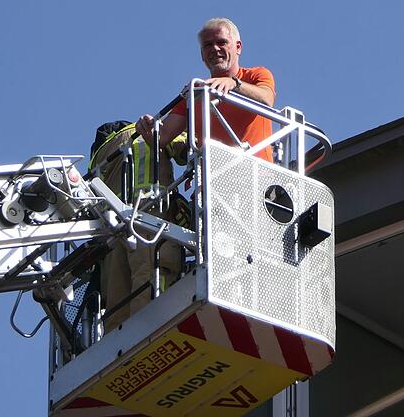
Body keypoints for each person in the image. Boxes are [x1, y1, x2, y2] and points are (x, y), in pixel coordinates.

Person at [88, 121, 186, 333]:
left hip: (112, 232)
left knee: (117, 297)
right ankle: (153, 327)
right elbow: (185, 147)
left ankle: (116, 347)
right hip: (148, 214)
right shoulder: (143, 131)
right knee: (151, 272)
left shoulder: (98, 161)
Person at [135, 18, 276, 161]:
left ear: (238, 47)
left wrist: (234, 83)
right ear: (202, 54)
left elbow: (267, 99)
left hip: (257, 174)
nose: (215, 48)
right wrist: (147, 127)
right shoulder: (196, 92)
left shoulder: (256, 74)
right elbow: (161, 137)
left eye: (222, 42)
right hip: (213, 177)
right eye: (208, 45)